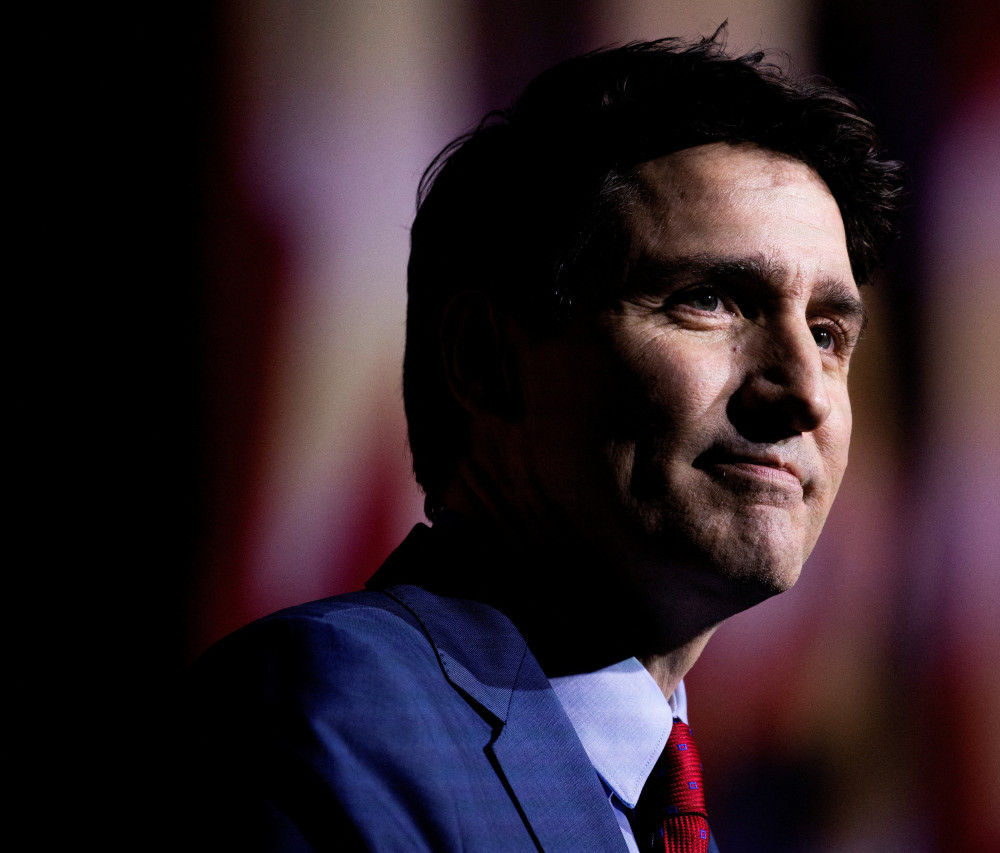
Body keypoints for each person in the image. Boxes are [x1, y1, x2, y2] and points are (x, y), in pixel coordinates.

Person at [185, 30, 902, 853]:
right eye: (709, 299)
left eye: (827, 332)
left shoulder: (674, 797)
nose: (804, 389)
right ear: (485, 361)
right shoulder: (330, 718)